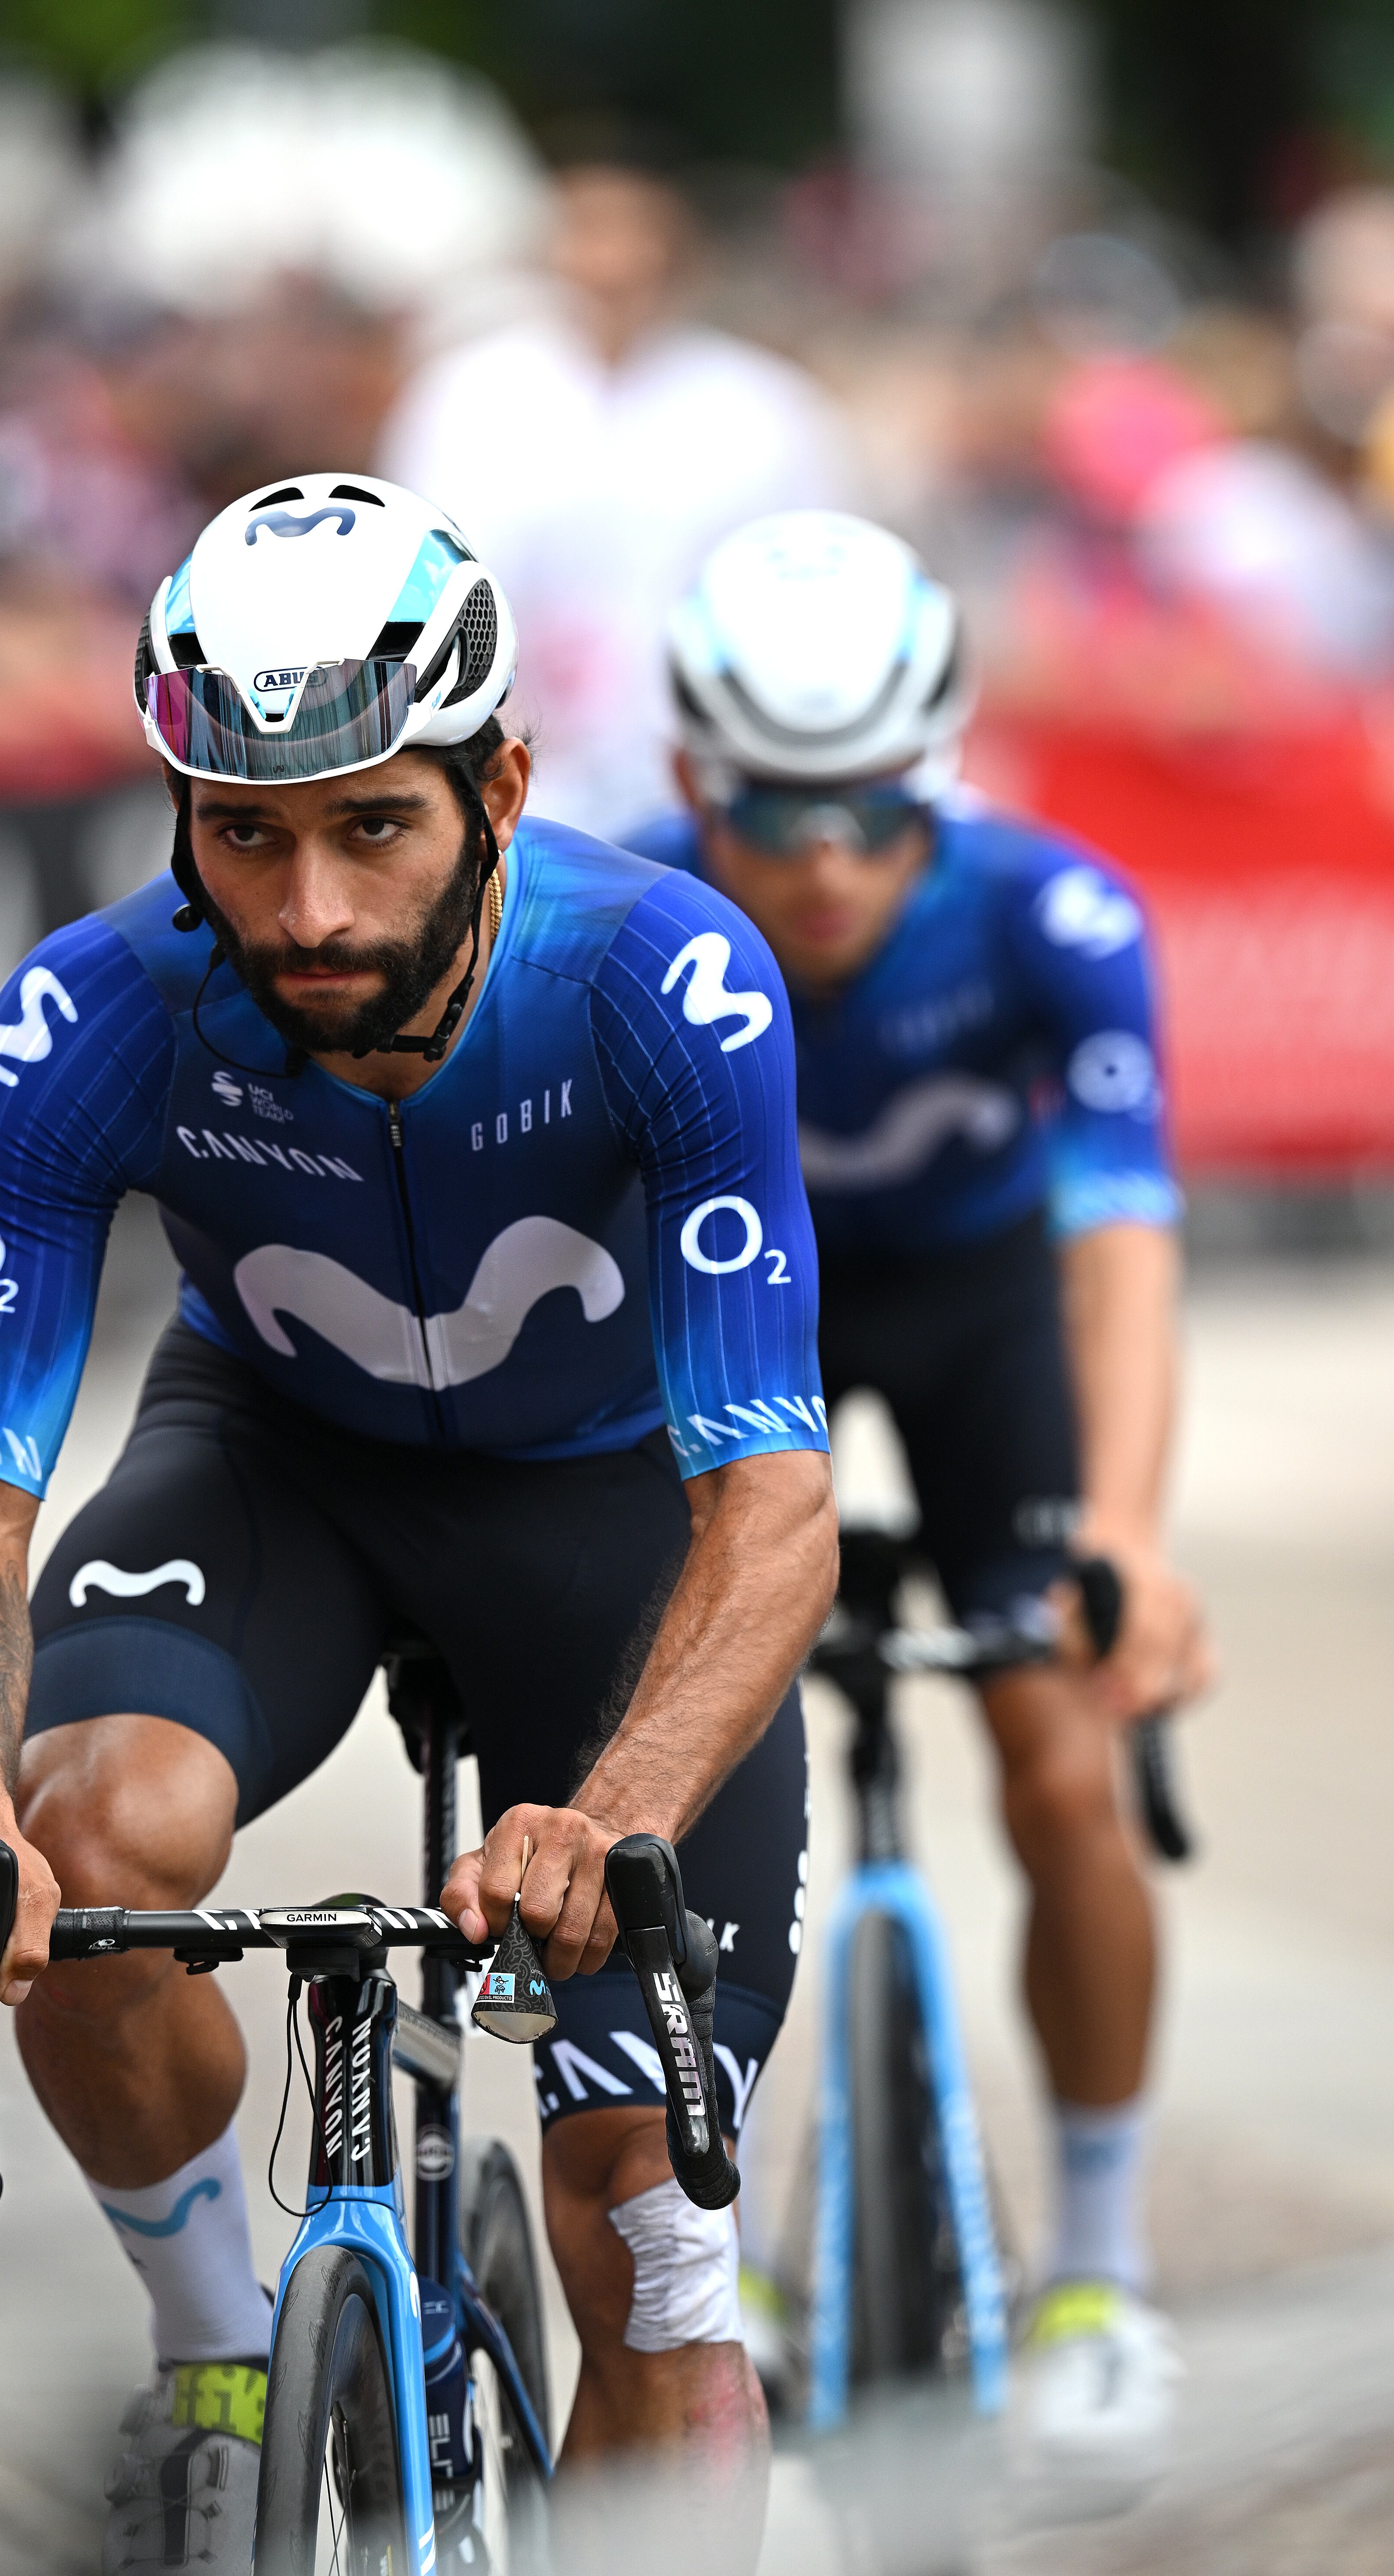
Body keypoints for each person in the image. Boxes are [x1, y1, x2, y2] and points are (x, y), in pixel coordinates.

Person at [0, 474, 836, 2568]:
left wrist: (621, 1804)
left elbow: (772, 1502)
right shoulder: (90, 1014)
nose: (304, 908)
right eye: (244, 830)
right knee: (85, 1842)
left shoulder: (664, 973)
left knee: (641, 2211)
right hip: (278, 1461)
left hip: (609, 1523)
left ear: (497, 781)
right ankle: (220, 2352)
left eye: (371, 825)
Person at [624, 510, 1211, 2485]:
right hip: (724, 1326)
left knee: (1061, 1758)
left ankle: (1105, 2267)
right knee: (657, 1767)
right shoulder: (613, 899)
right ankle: (705, 2253)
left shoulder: (1054, 917)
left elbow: (1120, 1242)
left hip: (971, 1324)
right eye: (774, 811)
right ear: (696, 774)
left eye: (875, 811)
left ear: (939, 776)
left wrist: (1123, 1532)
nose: (820, 863)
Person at [377, 154, 856, 839]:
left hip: (700, 780)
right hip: (511, 774)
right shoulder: (465, 397)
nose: (612, 264)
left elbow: (813, 590)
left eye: (634, 236)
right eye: (590, 233)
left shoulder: (766, 409)